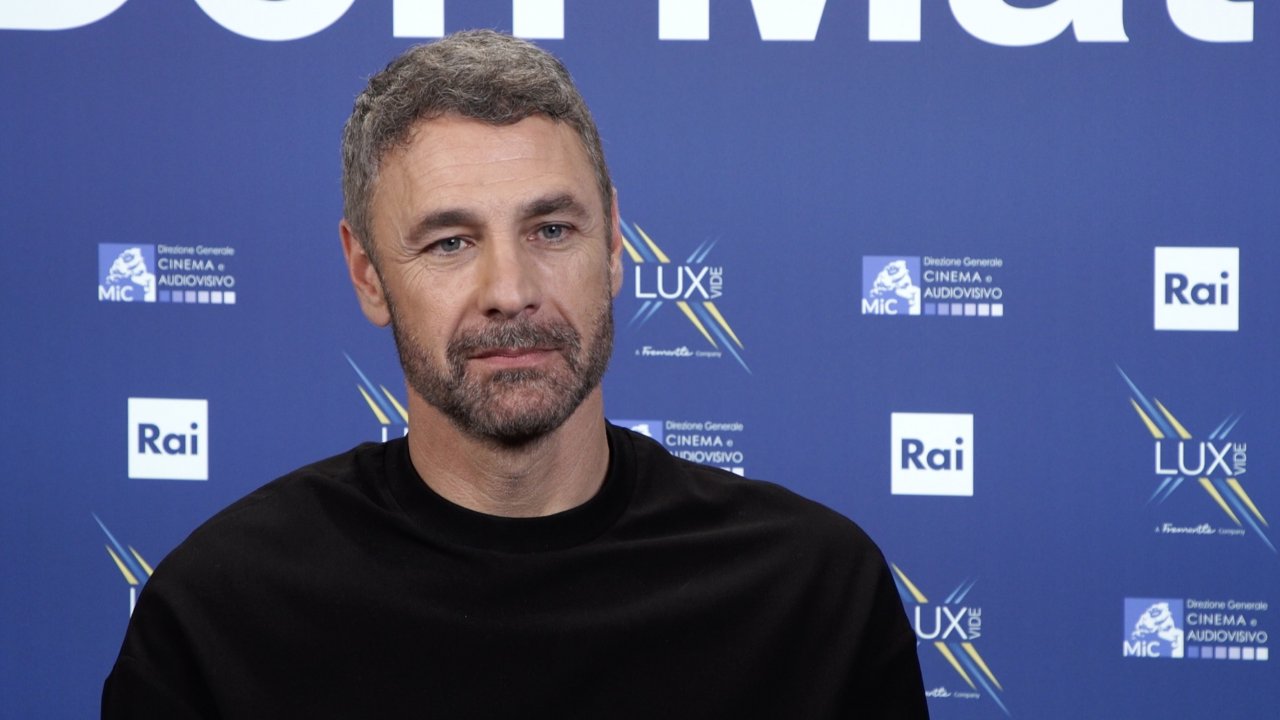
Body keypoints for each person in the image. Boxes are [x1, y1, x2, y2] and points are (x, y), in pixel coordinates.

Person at [103, 30, 928, 718]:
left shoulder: (812, 596)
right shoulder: (222, 617)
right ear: (367, 275)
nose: (511, 290)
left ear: (614, 248)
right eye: (450, 243)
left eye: (552, 230)